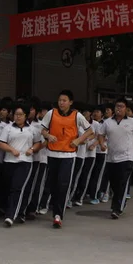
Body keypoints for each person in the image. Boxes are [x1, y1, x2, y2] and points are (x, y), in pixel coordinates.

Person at [40, 90, 93, 228]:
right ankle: (51, 207)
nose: (61, 103)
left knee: (63, 185)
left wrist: (78, 140)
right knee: (52, 184)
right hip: (52, 154)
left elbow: (90, 130)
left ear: (70, 102)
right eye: (60, 100)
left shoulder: (77, 115)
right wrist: (48, 136)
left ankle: (58, 215)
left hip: (68, 155)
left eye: (64, 100)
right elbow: (43, 130)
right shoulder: (51, 113)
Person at [99, 98, 133, 219]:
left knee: (122, 182)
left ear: (126, 109)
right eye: (117, 106)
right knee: (114, 183)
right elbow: (101, 134)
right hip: (111, 157)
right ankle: (119, 203)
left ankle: (117, 208)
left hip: (127, 157)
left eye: (122, 106)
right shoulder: (108, 122)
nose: (119, 108)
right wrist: (102, 144)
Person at [0, 105, 42, 227]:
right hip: (9, 161)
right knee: (10, 188)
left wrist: (32, 149)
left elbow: (38, 143)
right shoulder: (8, 128)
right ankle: (20, 212)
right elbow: (1, 143)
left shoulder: (32, 129)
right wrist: (11, 150)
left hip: (25, 161)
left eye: (20, 114)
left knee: (17, 188)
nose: (18, 117)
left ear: (26, 116)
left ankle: (11, 215)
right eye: (16, 114)